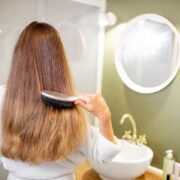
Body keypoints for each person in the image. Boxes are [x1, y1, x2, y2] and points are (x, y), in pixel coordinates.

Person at [0, 21, 121, 180]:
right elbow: (104, 154)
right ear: (59, 62)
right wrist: (104, 115)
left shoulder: (3, 99)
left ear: (19, 57)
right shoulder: (69, 112)